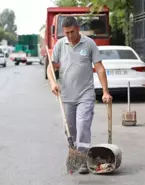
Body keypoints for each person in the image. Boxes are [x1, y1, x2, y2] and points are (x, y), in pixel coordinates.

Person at [46, 16, 112, 174]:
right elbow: (51, 67)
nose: (69, 35)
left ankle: (82, 160)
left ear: (78, 29)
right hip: (66, 95)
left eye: (72, 32)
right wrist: (53, 83)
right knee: (70, 130)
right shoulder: (60, 45)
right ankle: (74, 155)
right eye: (66, 33)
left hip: (85, 94)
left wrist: (105, 91)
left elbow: (100, 68)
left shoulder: (89, 44)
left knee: (83, 125)